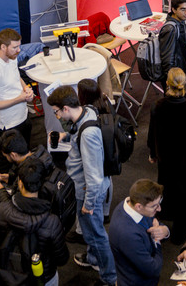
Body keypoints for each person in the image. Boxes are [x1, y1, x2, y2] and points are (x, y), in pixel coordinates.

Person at [47, 86, 116, 286]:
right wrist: (66, 137)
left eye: (57, 111)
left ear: (66, 108)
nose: (57, 115)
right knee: (91, 233)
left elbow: (93, 177)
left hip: (87, 192)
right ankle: (94, 259)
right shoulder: (86, 111)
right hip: (86, 188)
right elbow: (77, 134)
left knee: (96, 236)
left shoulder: (88, 136)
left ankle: (109, 278)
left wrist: (89, 204)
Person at [0, 156, 69, 286]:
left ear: (19, 182)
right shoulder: (52, 222)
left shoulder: (1, 212)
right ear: (42, 184)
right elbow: (62, 258)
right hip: (43, 278)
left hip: (9, 276)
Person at [148, 68, 186, 242]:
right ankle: (180, 234)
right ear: (185, 83)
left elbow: (152, 134)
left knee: (166, 186)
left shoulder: (157, 107)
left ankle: (166, 212)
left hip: (165, 159)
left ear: (167, 83)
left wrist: (153, 153)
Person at [0, 28, 35, 176]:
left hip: (23, 116)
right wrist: (19, 99)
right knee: (5, 164)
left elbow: (16, 77)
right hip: (9, 125)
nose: (19, 50)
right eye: (15, 47)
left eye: (19, 46)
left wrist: (26, 88)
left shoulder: (12, 58)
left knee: (25, 156)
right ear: (3, 47)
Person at [107, 179, 170, 286]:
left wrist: (165, 230)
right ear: (139, 206)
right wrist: (157, 241)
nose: (159, 209)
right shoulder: (127, 233)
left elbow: (154, 223)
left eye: (159, 202)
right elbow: (153, 269)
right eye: (155, 206)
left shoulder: (129, 204)